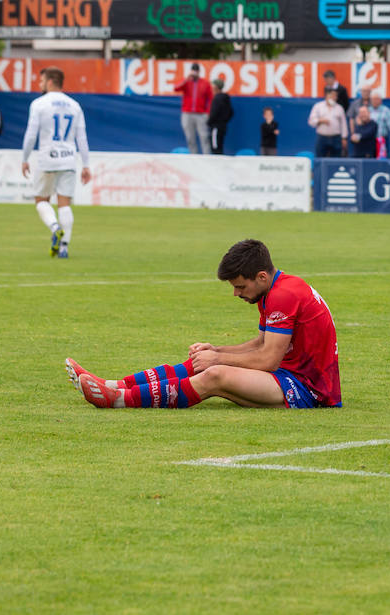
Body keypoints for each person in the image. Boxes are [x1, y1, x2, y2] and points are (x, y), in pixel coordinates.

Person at [68, 239, 341, 409]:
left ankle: (118, 400)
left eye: (239, 286)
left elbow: (268, 359)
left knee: (214, 374)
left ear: (260, 276)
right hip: (289, 375)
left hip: (308, 389)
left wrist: (218, 358)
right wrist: (215, 350)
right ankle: (113, 384)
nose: (236, 293)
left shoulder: (283, 294)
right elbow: (260, 343)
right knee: (201, 361)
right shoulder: (274, 288)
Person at [21, 66, 91, 260]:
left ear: (50, 81)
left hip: (47, 159)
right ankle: (64, 248)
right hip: (68, 158)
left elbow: (31, 135)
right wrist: (86, 164)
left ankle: (55, 227)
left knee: (41, 200)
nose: (40, 83)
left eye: (41, 80)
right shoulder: (75, 105)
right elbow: (82, 138)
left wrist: (24, 158)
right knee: (64, 204)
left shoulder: (39, 104)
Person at [174, 63, 213, 154]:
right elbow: (176, 88)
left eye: (196, 71)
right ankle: (194, 157)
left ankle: (207, 158)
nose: (195, 73)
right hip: (187, 113)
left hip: (201, 114)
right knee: (190, 138)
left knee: (204, 137)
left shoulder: (205, 83)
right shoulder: (187, 82)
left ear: (199, 72)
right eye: (193, 70)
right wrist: (186, 79)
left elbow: (210, 98)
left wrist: (207, 112)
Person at [308, 86, 348, 158]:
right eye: (332, 95)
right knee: (320, 158)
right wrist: (320, 120)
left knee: (336, 159)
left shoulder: (339, 108)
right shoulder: (318, 106)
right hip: (322, 138)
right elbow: (311, 121)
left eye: (336, 96)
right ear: (327, 95)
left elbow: (343, 124)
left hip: (336, 138)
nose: (334, 98)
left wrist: (344, 138)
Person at [367, 92, 390, 159]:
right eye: (373, 99)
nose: (374, 101)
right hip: (369, 141)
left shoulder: (386, 111)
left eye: (376, 99)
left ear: (380, 100)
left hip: (381, 141)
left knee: (381, 160)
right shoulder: (367, 110)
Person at [207, 78, 233, 155]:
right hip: (222, 126)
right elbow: (231, 112)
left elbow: (214, 113)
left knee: (215, 148)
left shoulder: (217, 98)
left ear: (216, 87)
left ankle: (216, 166)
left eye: (213, 85)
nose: (211, 87)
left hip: (216, 127)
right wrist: (224, 121)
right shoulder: (226, 98)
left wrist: (209, 122)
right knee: (219, 147)